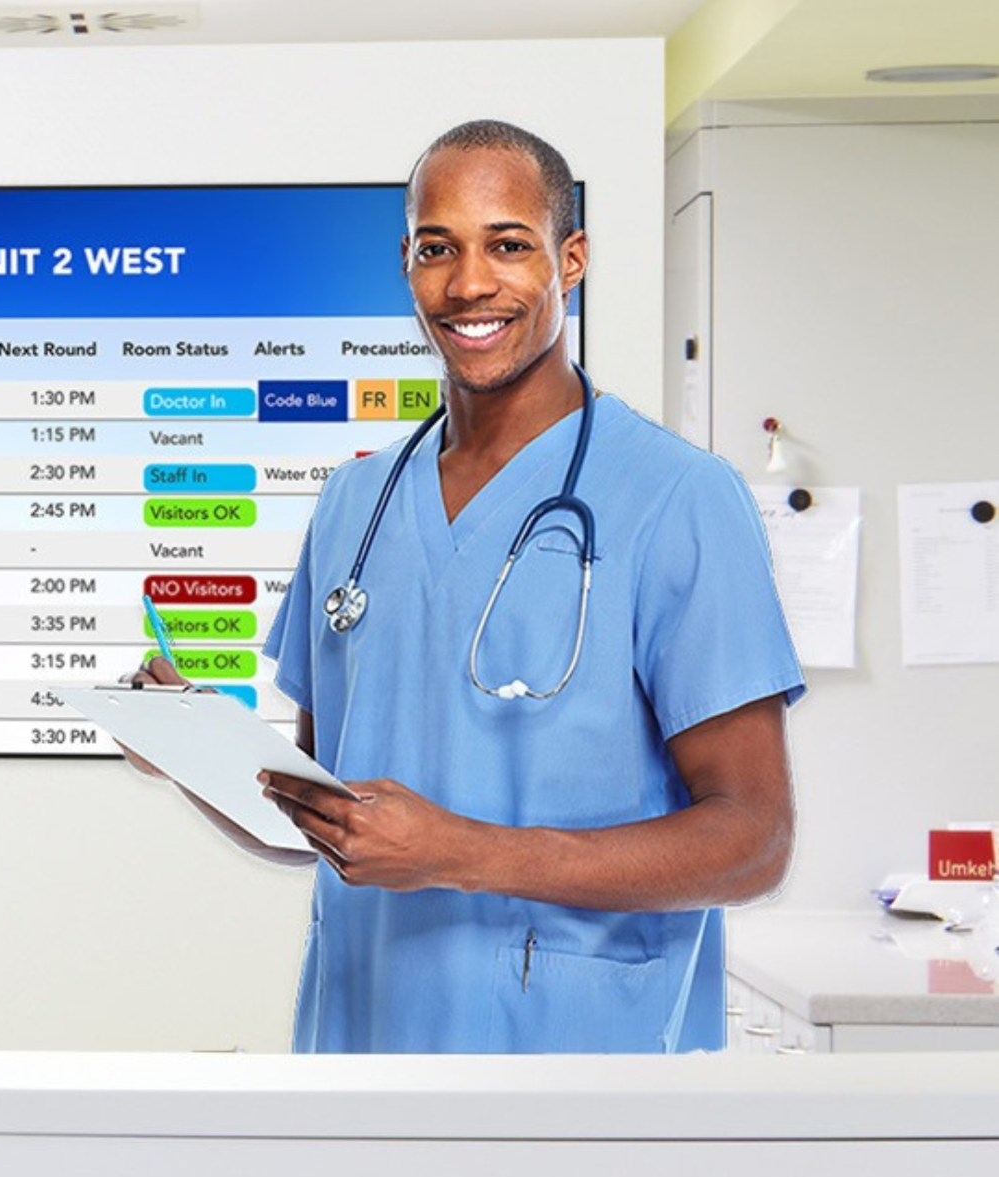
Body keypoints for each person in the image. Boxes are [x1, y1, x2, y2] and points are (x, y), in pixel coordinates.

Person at [128, 119, 803, 1053]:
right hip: (361, 1042)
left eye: (508, 245)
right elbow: (322, 823)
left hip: (581, 1063)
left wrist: (466, 853)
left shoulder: (679, 499)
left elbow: (754, 840)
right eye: (437, 248)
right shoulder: (355, 504)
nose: (469, 283)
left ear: (572, 260)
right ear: (405, 264)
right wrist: (192, 754)